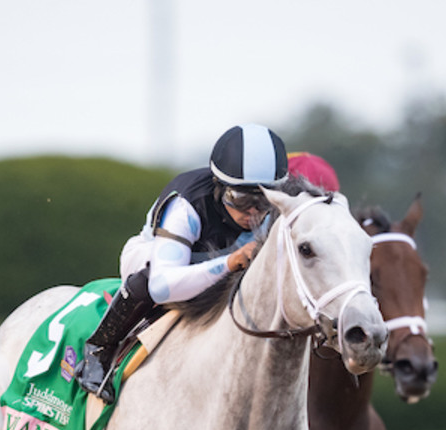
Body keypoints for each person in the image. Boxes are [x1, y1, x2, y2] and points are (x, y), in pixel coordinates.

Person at [76, 123, 289, 403]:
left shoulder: (276, 209)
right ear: (219, 186)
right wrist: (231, 262)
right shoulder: (187, 205)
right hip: (163, 266)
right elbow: (163, 287)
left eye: (264, 201)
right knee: (148, 275)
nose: (253, 212)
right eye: (241, 198)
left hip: (219, 271)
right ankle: (99, 350)